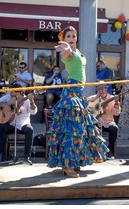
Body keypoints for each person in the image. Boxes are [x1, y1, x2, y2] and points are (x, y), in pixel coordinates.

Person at [47, 26, 109, 178]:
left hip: (78, 92)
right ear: (65, 38)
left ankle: (75, 162)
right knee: (72, 130)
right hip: (71, 93)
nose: (72, 38)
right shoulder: (67, 53)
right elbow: (66, 53)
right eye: (69, 36)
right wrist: (66, 47)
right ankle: (67, 165)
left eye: (74, 35)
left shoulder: (78, 52)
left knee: (79, 129)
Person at [0, 83, 37, 164]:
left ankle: (27, 156)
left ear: (19, 93)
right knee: (1, 127)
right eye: (11, 92)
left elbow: (33, 112)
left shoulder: (26, 100)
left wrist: (32, 102)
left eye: (13, 92)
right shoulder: (9, 97)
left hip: (23, 124)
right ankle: (1, 155)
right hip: (11, 124)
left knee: (30, 129)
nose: (10, 93)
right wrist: (4, 106)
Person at [87, 82, 121, 159]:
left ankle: (109, 151)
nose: (101, 91)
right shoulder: (92, 98)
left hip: (108, 122)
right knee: (90, 128)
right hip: (96, 123)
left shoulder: (111, 98)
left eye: (103, 88)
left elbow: (116, 113)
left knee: (114, 128)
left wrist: (116, 104)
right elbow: (86, 105)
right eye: (99, 89)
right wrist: (95, 99)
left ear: (106, 89)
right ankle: (94, 152)